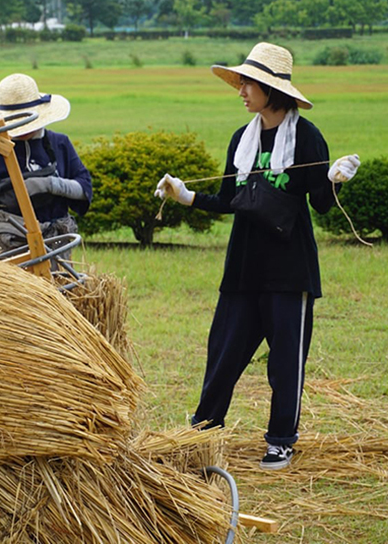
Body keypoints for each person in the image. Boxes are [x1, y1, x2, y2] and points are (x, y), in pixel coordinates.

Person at [154, 42, 360, 471]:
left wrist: (334, 178)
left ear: (272, 90)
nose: (241, 90)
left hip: (290, 269)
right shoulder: (240, 139)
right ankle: (204, 429)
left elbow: (320, 203)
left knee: (286, 361)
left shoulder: (307, 136)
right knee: (223, 352)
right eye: (242, 82)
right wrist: (187, 197)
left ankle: (281, 439)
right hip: (244, 265)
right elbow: (230, 200)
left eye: (249, 83)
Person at [0, 73, 92, 257]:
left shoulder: (59, 143)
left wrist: (52, 185)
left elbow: (84, 188)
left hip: (55, 243)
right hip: (6, 243)